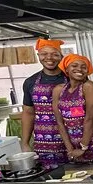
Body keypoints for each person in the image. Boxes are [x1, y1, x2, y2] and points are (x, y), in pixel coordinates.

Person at [52, 54, 93, 163]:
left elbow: (90, 119)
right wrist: (70, 149)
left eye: (83, 67)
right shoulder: (59, 90)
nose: (79, 69)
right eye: (74, 66)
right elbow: (60, 122)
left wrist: (83, 147)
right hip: (74, 145)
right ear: (66, 69)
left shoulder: (88, 87)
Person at [21, 39, 69, 168]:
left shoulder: (72, 79)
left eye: (54, 54)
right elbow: (28, 113)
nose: (49, 58)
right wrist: (25, 143)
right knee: (50, 176)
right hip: (46, 142)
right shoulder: (30, 82)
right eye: (44, 54)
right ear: (38, 56)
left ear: (61, 56)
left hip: (73, 137)